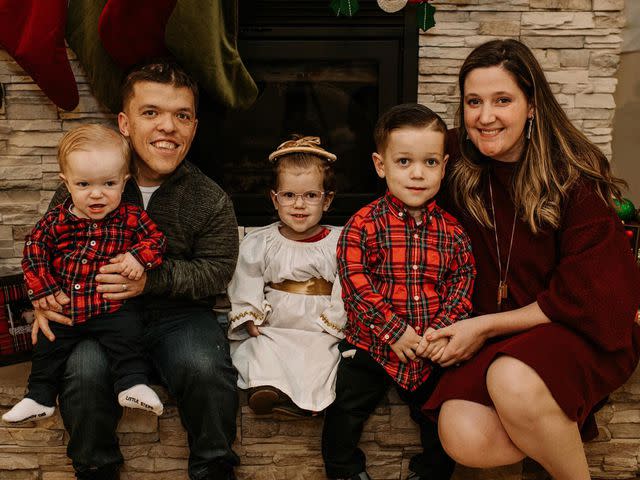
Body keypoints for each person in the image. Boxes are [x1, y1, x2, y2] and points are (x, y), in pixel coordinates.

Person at [421, 39, 640, 480]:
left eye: (503, 100)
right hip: (499, 339)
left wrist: (480, 327)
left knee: (513, 380)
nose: (485, 117)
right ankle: (543, 430)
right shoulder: (452, 160)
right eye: (473, 102)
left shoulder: (572, 175)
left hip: (574, 328)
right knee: (462, 432)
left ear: (532, 105)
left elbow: (589, 298)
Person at [32, 62, 240, 480]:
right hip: (96, 315)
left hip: (178, 315)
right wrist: (44, 297)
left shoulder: (209, 198)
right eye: (151, 113)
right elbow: (47, 249)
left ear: (194, 127)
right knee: (84, 373)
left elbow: (217, 271)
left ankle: (214, 466)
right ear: (125, 123)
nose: (168, 127)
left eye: (181, 115)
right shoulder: (85, 183)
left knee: (206, 368)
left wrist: (150, 280)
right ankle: (95, 467)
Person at [322, 104, 476, 480]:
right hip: (372, 344)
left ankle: (430, 473)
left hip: (429, 348)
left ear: (444, 165)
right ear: (381, 165)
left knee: (441, 417)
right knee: (344, 410)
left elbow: (463, 282)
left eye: (430, 162)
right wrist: (395, 332)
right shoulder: (363, 224)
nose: (418, 174)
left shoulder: (453, 232)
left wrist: (435, 334)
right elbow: (356, 284)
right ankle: (345, 472)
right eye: (404, 161)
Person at [3, 124, 165, 424]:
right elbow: (34, 250)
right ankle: (39, 397)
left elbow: (156, 241)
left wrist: (138, 257)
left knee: (128, 336)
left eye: (108, 184)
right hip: (66, 308)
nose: (96, 194)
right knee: (47, 345)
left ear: (124, 182)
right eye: (83, 185)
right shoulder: (55, 222)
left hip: (110, 307)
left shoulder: (131, 217)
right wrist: (42, 292)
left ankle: (132, 384)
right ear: (66, 183)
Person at [227, 135, 347, 417]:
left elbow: (346, 284)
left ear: (327, 200)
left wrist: (334, 322)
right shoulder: (261, 242)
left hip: (319, 329)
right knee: (262, 353)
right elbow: (246, 279)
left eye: (310, 196)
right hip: (274, 326)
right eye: (289, 195)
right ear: (275, 198)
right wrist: (250, 317)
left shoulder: (339, 242)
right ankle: (268, 391)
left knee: (320, 359)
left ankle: (305, 404)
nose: (299, 204)